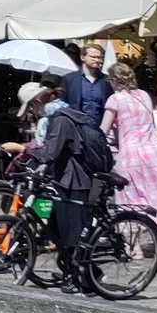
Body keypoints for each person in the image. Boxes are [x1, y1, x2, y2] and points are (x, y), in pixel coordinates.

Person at [104, 60, 157, 259]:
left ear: (114, 80)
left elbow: (104, 129)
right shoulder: (144, 97)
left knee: (130, 199)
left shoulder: (115, 99)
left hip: (131, 153)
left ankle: (134, 247)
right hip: (152, 152)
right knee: (156, 196)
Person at [28, 89, 104, 281]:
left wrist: (23, 151)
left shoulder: (61, 120)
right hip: (73, 179)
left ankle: (86, 279)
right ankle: (76, 271)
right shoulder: (65, 114)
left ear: (38, 102)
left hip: (77, 181)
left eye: (31, 106)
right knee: (61, 229)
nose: (31, 112)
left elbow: (50, 153)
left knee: (74, 234)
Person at [60, 42, 114, 130]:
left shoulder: (106, 80)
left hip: (98, 130)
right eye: (93, 57)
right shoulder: (69, 79)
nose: (97, 60)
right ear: (82, 57)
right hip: (75, 129)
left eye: (99, 57)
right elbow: (61, 103)